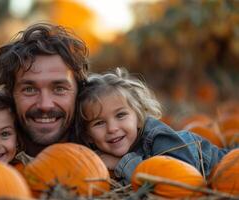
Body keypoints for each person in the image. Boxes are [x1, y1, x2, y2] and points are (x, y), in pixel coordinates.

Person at [77, 67, 232, 184]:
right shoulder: (98, 155)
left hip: (227, 166)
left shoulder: (157, 136)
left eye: (120, 115)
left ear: (138, 117)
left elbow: (179, 180)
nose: (112, 128)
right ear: (87, 135)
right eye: (99, 123)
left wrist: (121, 164)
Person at [0, 22, 89, 156]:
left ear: (79, 92)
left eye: (59, 89)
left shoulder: (114, 161)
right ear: (10, 94)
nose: (45, 105)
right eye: (29, 89)